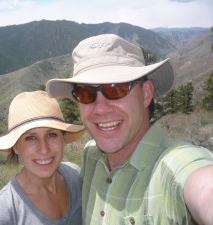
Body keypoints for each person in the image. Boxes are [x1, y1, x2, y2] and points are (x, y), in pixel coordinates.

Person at [46, 34, 213, 225]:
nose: (100, 108)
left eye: (116, 89)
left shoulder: (175, 166)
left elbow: (204, 187)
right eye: (85, 93)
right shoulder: (91, 155)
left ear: (146, 93)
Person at [0, 90, 86, 225]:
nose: (44, 149)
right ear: (15, 147)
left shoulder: (75, 176)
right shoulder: (3, 213)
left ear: (63, 138)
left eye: (52, 135)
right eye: (30, 138)